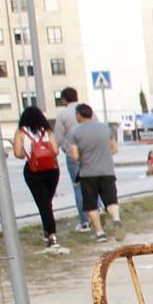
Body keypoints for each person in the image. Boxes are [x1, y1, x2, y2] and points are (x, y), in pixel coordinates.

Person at [10, 106, 68, 254]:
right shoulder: (47, 131)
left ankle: (51, 235)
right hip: (52, 170)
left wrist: (29, 153)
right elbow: (55, 151)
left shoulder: (21, 132)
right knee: (47, 202)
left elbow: (17, 153)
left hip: (33, 171)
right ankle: (49, 230)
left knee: (43, 204)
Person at [64, 103, 124, 243]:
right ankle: (116, 219)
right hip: (107, 170)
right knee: (111, 200)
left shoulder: (75, 132)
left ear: (79, 115)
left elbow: (74, 156)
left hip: (87, 173)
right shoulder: (105, 128)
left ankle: (100, 233)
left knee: (91, 205)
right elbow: (114, 149)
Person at [53, 88, 83, 227]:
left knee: (78, 186)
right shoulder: (87, 110)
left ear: (64, 99)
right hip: (90, 153)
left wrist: (54, 152)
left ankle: (85, 220)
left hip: (72, 154)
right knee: (94, 184)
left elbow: (58, 138)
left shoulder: (63, 115)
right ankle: (99, 210)